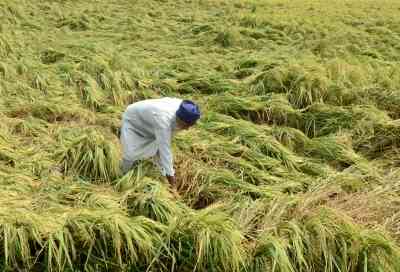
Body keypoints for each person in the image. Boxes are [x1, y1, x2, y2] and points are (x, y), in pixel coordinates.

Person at [120, 97, 201, 187]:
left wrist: (165, 170)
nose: (186, 129)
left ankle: (161, 172)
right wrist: (172, 180)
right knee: (130, 154)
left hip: (151, 124)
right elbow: (165, 149)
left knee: (158, 149)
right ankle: (122, 177)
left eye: (190, 125)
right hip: (134, 122)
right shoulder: (163, 119)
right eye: (185, 125)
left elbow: (163, 145)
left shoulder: (185, 109)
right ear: (179, 119)